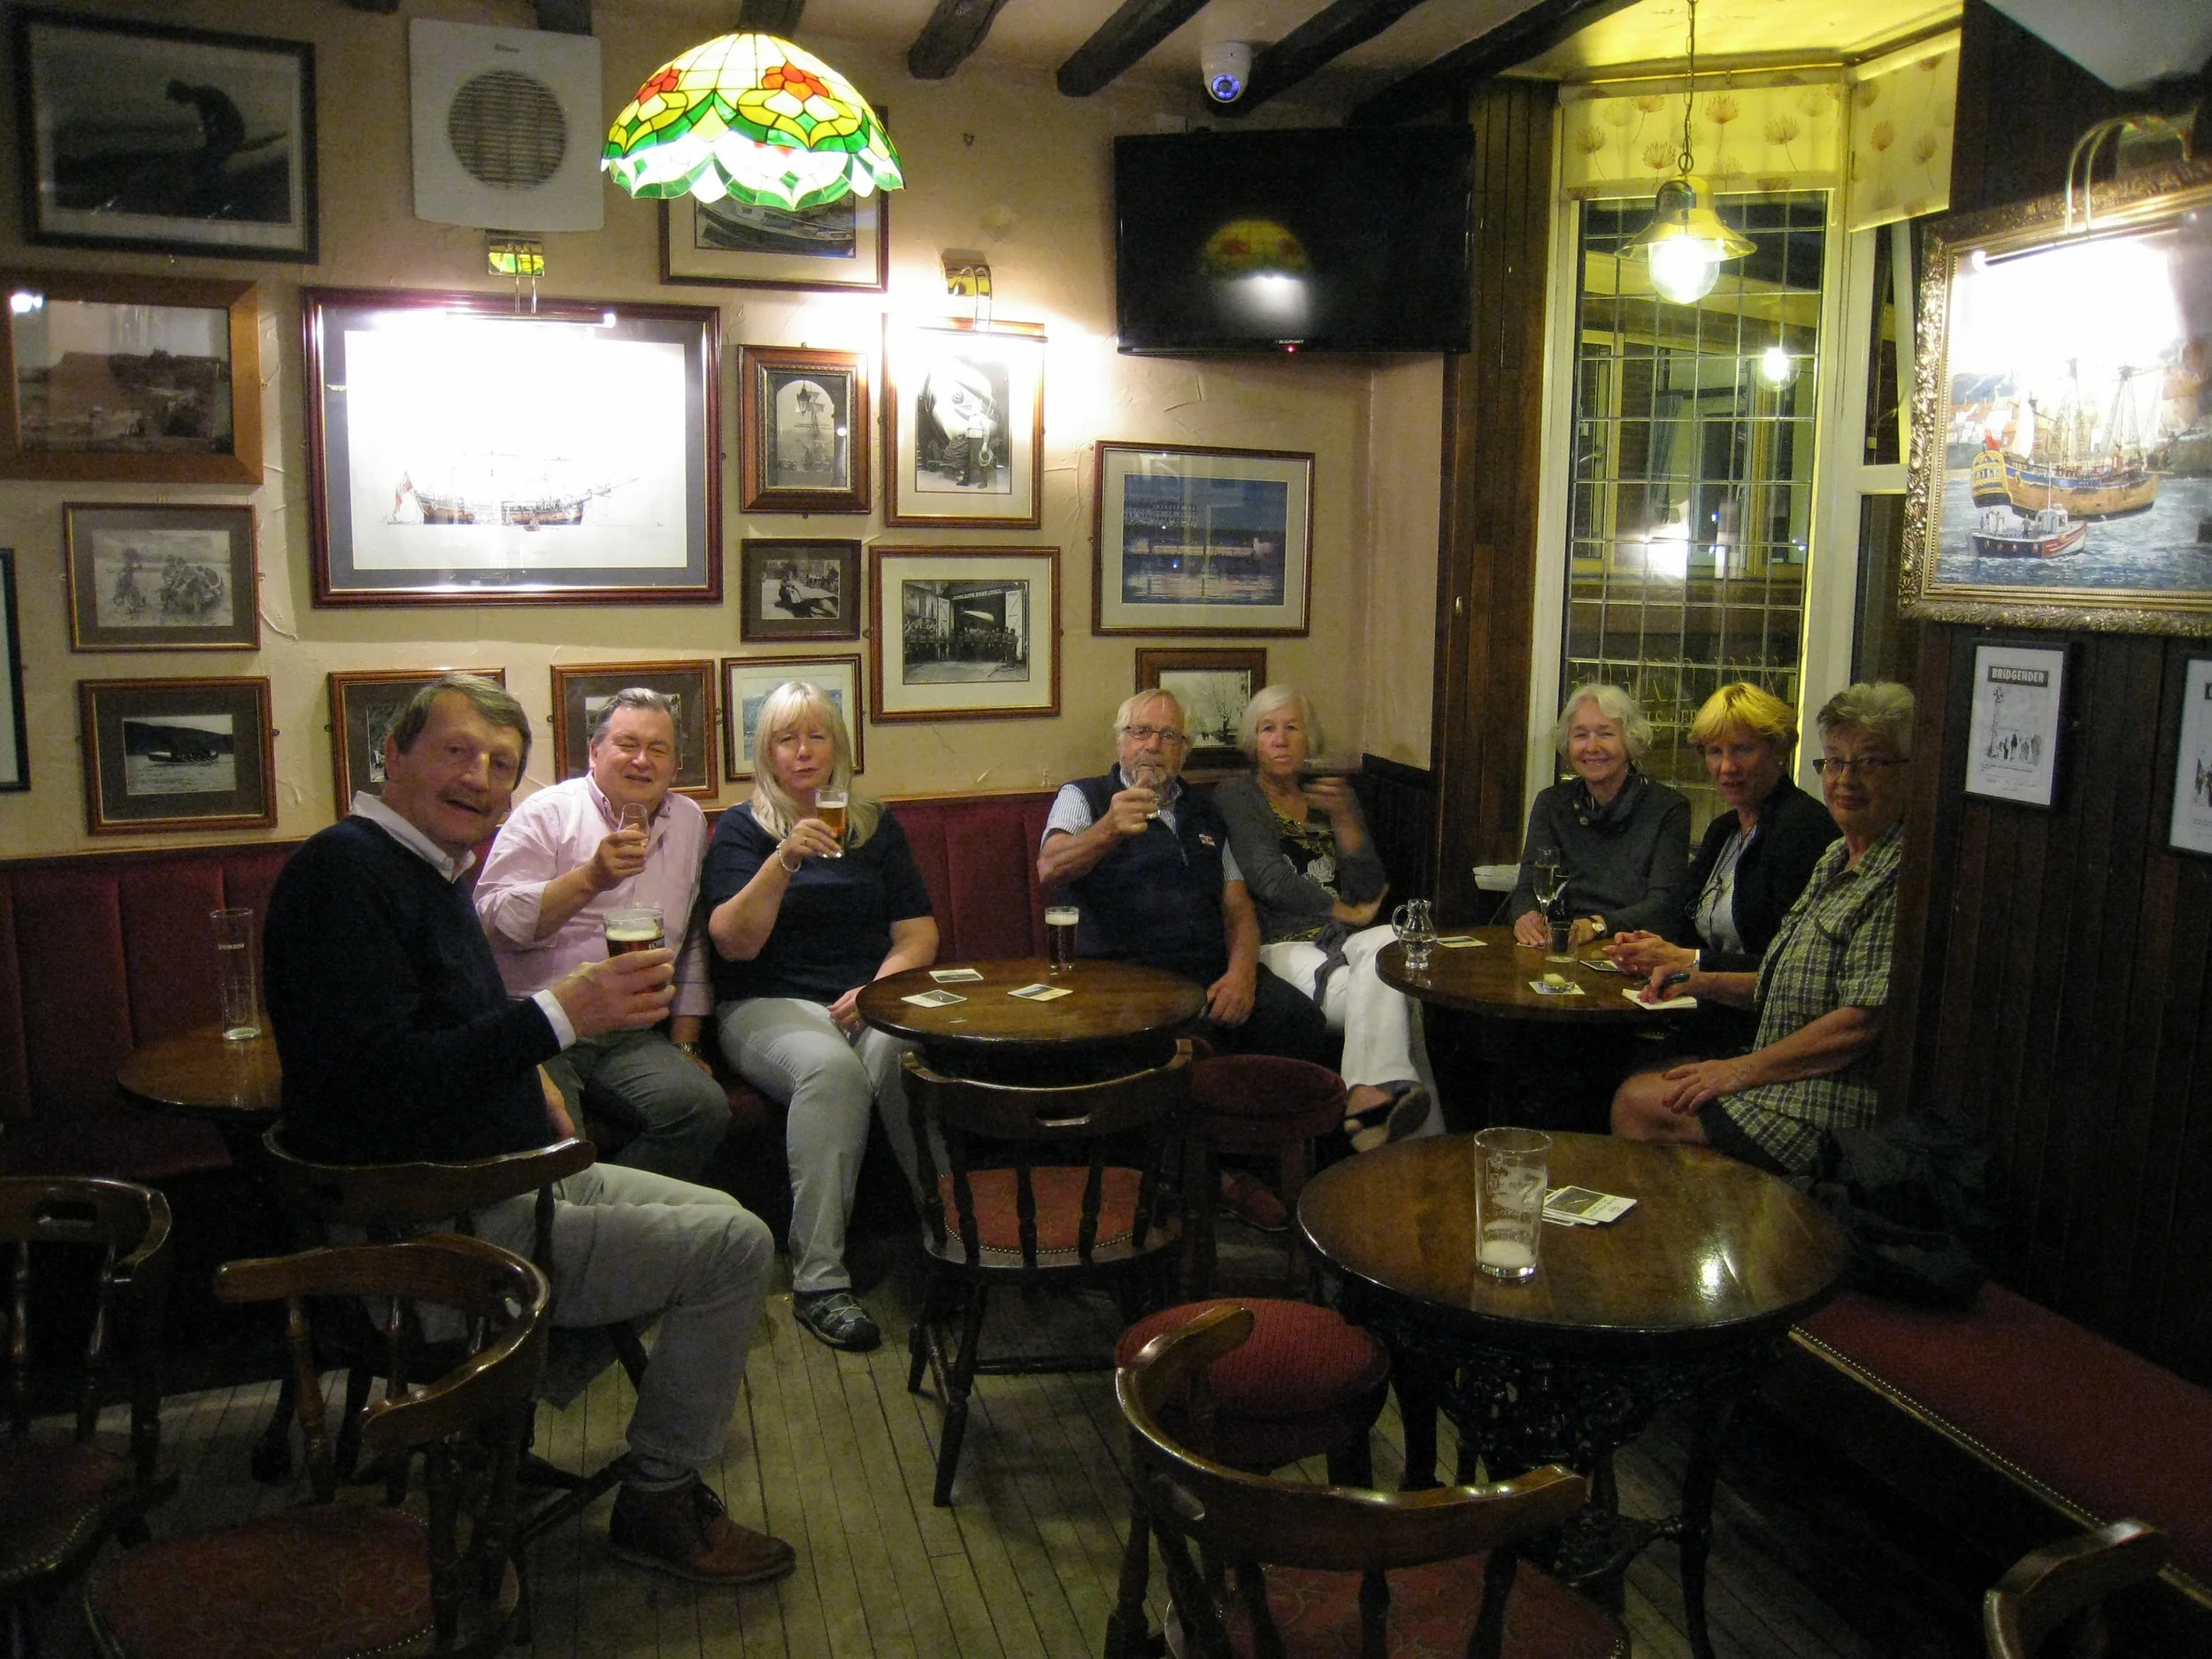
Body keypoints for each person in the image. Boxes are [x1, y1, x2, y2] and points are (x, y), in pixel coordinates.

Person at [264, 673, 792, 1586]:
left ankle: (508, 1390)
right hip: (437, 1233)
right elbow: (376, 1079)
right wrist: (554, 1023)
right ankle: (656, 1497)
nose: (480, 777)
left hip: (509, 1175)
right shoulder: (341, 875)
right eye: (456, 752)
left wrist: (528, 1069)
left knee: (715, 1199)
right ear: (392, 754)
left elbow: (443, 1037)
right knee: (735, 1248)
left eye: (499, 763)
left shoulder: (422, 869)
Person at [1039, 691, 1333, 1229]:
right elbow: (1050, 868)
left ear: (1184, 750)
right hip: (1122, 979)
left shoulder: (1203, 812)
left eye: (1169, 735)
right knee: (1151, 1050)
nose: (1153, 744)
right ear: (1120, 741)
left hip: (1206, 972)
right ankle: (1207, 1180)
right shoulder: (1084, 797)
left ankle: (1284, 1178)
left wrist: (1242, 974)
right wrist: (1106, 829)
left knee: (1301, 1025)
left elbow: (1239, 909)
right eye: (1141, 732)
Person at [704, 682, 938, 1355]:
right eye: (787, 738)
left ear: (839, 746)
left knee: (908, 1056)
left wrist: (877, 992)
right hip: (763, 1004)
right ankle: (820, 1282)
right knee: (830, 1071)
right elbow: (732, 942)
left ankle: (956, 1239)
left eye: (817, 735)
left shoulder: (873, 825)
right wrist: (785, 859)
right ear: (767, 753)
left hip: (863, 998)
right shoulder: (743, 829)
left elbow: (918, 934)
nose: (803, 751)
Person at [1610, 681, 1915, 1177]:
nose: (1845, 780)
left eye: (1870, 763)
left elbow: (1862, 1023)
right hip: (1770, 1063)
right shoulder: (1837, 856)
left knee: (1638, 1101)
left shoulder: (1895, 871)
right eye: (1835, 762)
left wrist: (1739, 1070)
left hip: (1830, 1100)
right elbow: (1775, 976)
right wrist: (1693, 977)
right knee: (1632, 1072)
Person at [475, 687, 729, 1182]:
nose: (641, 760)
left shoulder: (689, 821)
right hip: (544, 1022)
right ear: (594, 753)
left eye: (658, 749)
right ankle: (572, 1234)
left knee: (702, 1109)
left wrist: (685, 1043)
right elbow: (489, 920)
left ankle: (617, 1226)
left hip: (633, 1032)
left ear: (675, 766)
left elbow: (692, 935)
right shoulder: (546, 813)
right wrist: (589, 878)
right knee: (554, 1139)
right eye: (626, 744)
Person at [1214, 685, 1439, 1151]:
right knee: (1401, 999)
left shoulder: (1333, 796)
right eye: (1267, 729)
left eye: (1291, 728)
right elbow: (1269, 879)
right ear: (1252, 742)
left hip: (1350, 944)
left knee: (1387, 952)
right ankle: (1422, 1148)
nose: (1280, 739)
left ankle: (1367, 1096)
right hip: (1280, 943)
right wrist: (1346, 911)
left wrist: (1346, 821)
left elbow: (1370, 884)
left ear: (1308, 738)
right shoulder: (1239, 794)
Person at [1602, 681, 1840, 1052]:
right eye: (1715, 752)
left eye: (1743, 749)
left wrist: (1689, 959)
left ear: (1779, 750)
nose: (1727, 767)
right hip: (1702, 1015)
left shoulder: (1803, 828)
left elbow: (1787, 964)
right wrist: (1646, 945)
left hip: (1763, 1034)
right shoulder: (1724, 829)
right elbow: (1681, 921)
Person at [1509, 682, 1692, 947]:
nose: (1591, 747)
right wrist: (1525, 916)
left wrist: (1596, 925)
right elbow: (1528, 888)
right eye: (1580, 735)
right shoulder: (1552, 804)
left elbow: (1664, 908)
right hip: (1558, 943)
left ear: (1629, 741)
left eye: (1605, 734)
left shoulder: (1668, 808)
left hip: (1629, 948)